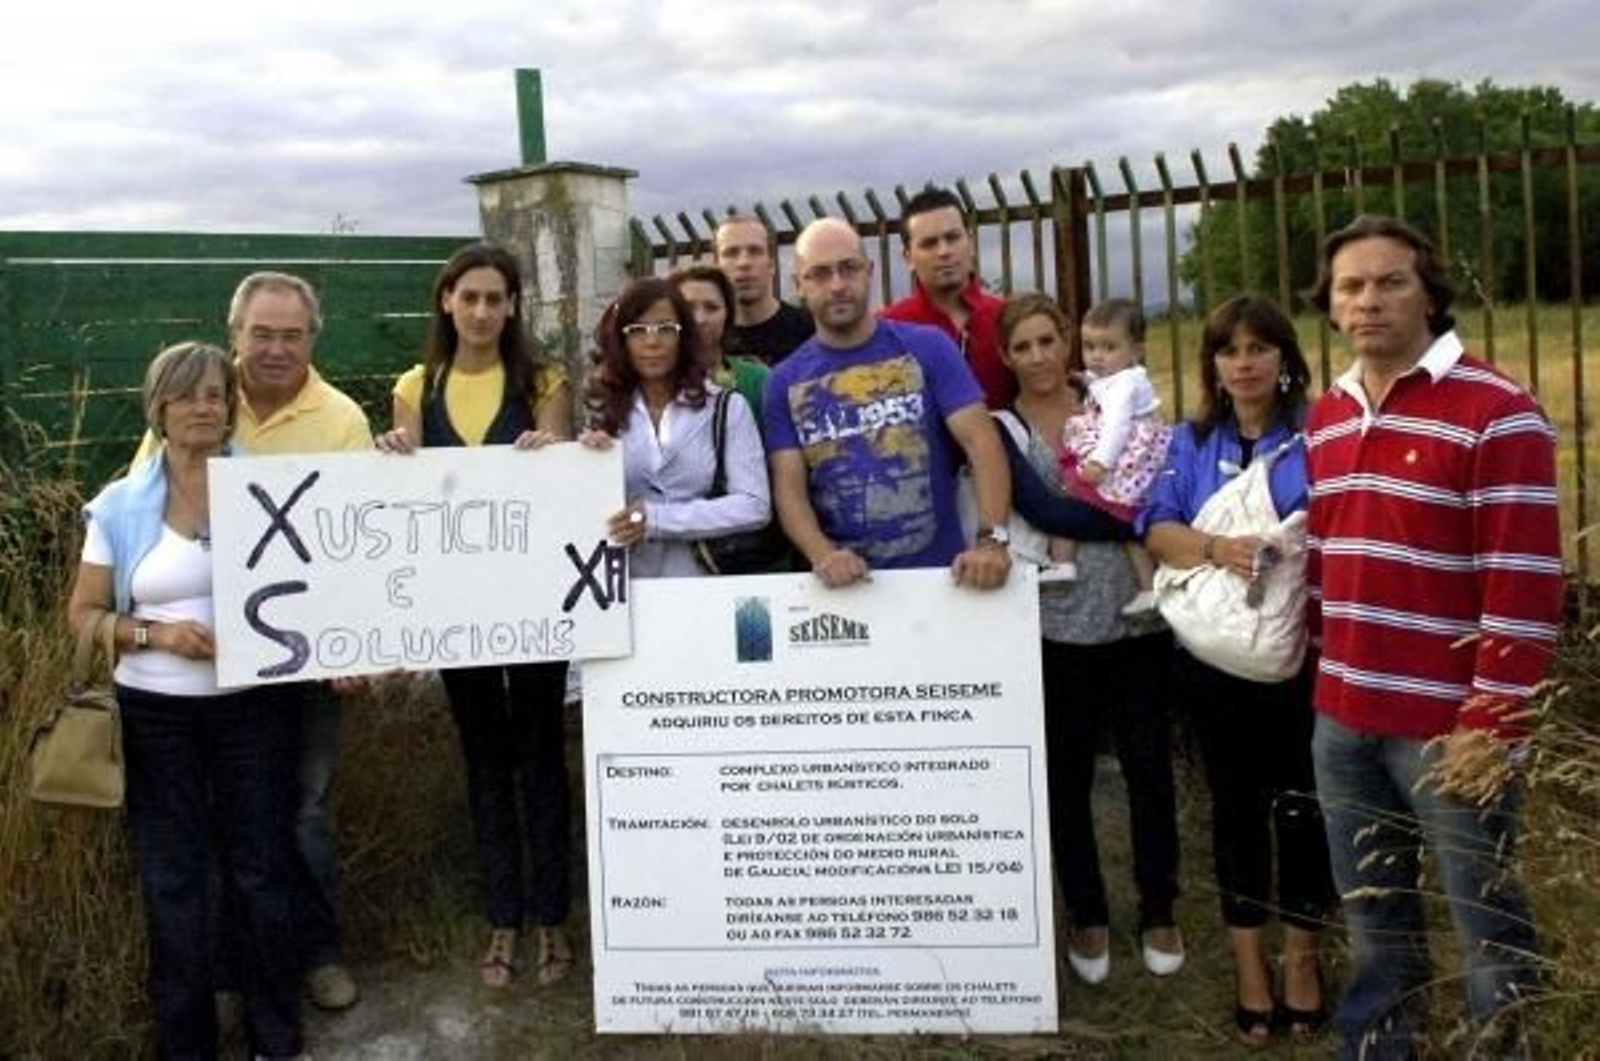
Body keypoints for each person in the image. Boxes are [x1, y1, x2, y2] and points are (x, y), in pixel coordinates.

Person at [1305, 215, 1563, 1060]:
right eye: (1351, 286)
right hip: (1344, 717)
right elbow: (1326, 562)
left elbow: (1524, 582)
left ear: (1430, 293)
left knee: (1487, 923)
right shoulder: (1329, 416)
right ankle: (1379, 1047)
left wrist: (1493, 720)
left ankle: (1504, 1046)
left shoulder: (1498, 412)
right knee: (1374, 919)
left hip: (1450, 729)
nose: (1369, 300)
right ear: (1330, 304)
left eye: (1391, 282)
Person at [135, 270, 372, 1012]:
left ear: (313, 338)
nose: (275, 348)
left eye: (291, 335)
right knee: (222, 820)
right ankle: (233, 968)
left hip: (307, 659)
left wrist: (352, 647)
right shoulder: (197, 402)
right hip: (204, 662)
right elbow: (139, 508)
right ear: (234, 332)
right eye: (261, 333)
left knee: (304, 809)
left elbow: (364, 541)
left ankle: (316, 954)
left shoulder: (341, 420)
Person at [70, 342, 305, 1060]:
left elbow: (316, 585)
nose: (204, 406)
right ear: (160, 408)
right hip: (156, 717)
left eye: (215, 394)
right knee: (175, 879)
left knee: (261, 870)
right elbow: (83, 615)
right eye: (187, 394)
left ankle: (274, 1037)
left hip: (253, 710)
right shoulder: (118, 505)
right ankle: (188, 1043)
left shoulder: (271, 490)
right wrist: (156, 633)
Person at [375, 242, 577, 989]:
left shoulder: (544, 380)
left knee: (540, 756)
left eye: (496, 298)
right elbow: (409, 499)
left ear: (513, 305)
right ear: (447, 302)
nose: (483, 311)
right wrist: (391, 456)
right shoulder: (415, 385)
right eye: (471, 298)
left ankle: (551, 916)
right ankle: (502, 916)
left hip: (534, 604)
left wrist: (554, 452)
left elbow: (562, 484)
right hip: (457, 611)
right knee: (485, 759)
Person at [1142, 295, 1334, 1046]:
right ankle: (1250, 969)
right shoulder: (1189, 443)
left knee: (1303, 804)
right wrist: (1220, 549)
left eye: (1259, 348)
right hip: (1212, 661)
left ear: (1285, 358)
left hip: (1303, 657)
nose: (1244, 362)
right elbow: (1157, 529)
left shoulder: (1319, 436)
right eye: (1229, 350)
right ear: (1213, 365)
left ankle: (1302, 963)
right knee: (1235, 808)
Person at [996, 293, 1185, 987]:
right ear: (1006, 356)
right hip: (1059, 627)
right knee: (1067, 777)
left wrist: (1138, 514)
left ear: (1067, 341)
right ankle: (1087, 910)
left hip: (1137, 619)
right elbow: (1043, 508)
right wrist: (1129, 517)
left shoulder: (1116, 398)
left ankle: (1159, 905)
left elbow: (1160, 479)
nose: (1038, 356)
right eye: (1023, 347)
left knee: (1149, 769)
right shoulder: (1004, 427)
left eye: (1048, 340)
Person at [764, 217, 1012, 590]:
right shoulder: (782, 382)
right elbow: (789, 489)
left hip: (943, 583)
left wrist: (992, 541)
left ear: (870, 272)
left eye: (849, 268)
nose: (837, 285)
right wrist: (823, 554)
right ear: (798, 284)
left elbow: (982, 442)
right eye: (820, 274)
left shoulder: (929, 347)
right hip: (846, 594)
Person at [580, 275, 770, 575]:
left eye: (666, 329)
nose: (652, 342)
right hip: (624, 584)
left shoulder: (725, 407)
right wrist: (573, 460)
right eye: (637, 330)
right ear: (621, 340)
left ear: (685, 336)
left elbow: (755, 505)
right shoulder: (601, 411)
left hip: (703, 581)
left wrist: (658, 520)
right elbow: (582, 507)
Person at [1050, 298, 1169, 613]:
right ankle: (1148, 587)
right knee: (1125, 524)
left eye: (1109, 347)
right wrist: (1087, 379)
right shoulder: (1123, 377)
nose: (1097, 356)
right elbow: (1104, 386)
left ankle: (1063, 563)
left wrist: (1099, 462)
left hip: (1121, 460)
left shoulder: (1124, 386)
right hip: (1132, 457)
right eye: (1090, 347)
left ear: (1136, 351)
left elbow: (1117, 425)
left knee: (1072, 494)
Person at [880, 186, 1014, 410]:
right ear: (908, 258)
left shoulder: (1007, 318)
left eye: (952, 238)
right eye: (929, 243)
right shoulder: (888, 329)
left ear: (970, 242)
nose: (944, 251)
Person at [668, 263, 769, 434]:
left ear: (728, 315)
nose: (700, 319)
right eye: (688, 308)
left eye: (711, 308)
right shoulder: (654, 383)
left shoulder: (756, 380)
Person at [714, 214, 814, 366]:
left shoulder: (811, 333)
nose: (743, 263)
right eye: (731, 253)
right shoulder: (707, 341)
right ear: (716, 267)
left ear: (772, 265)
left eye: (755, 251)